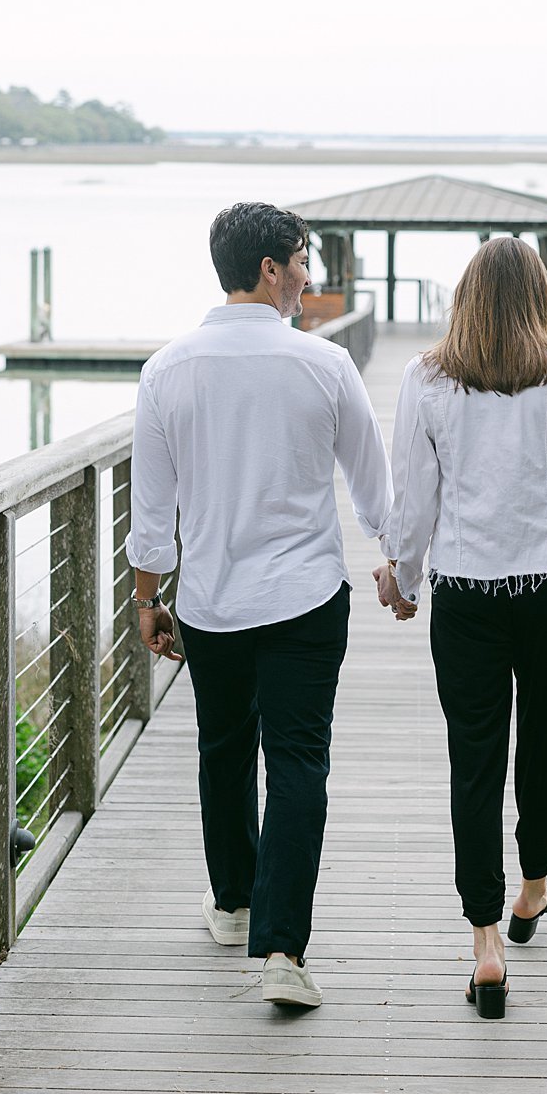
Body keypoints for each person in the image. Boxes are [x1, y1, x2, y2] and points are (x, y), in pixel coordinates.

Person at [375, 235, 547, 1018]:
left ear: (463, 297)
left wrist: (402, 576)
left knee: (473, 762)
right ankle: (532, 890)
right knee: (544, 742)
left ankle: (486, 945)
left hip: (465, 593)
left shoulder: (424, 378)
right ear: (539, 296)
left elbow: (413, 496)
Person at [127, 200, 391, 1010]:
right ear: (270, 268)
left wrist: (148, 599)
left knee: (223, 747)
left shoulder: (167, 370)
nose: (308, 279)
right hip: (306, 596)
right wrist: (397, 563)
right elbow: (374, 486)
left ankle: (233, 903)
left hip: (209, 601)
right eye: (303, 261)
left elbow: (151, 507)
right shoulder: (324, 365)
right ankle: (282, 948)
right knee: (299, 760)